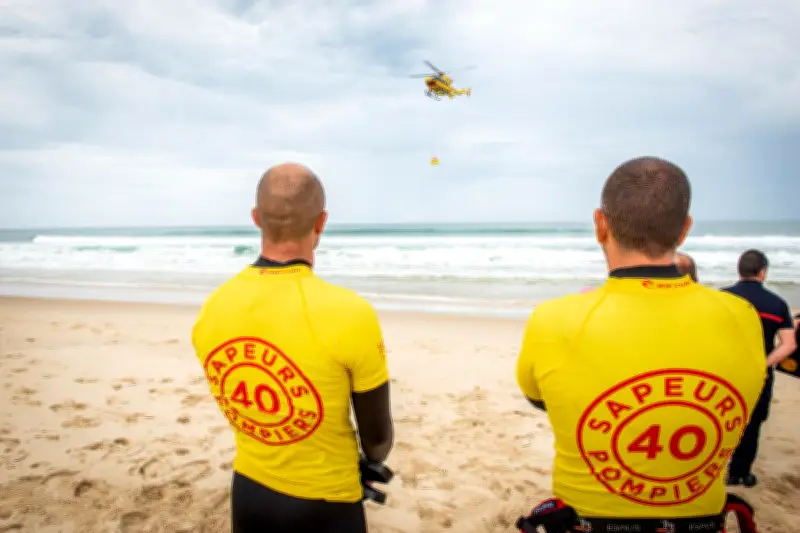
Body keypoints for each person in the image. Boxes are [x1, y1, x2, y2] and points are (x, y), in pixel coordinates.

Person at [515, 157, 766, 533]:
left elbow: (539, 399)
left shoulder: (553, 319)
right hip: (702, 524)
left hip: (586, 523)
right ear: (684, 230)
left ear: (600, 224)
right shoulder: (742, 315)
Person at [192, 163, 394, 533]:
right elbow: (378, 439)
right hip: (328, 503)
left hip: (250, 491)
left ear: (256, 218)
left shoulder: (213, 307)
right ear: (322, 222)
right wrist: (371, 462)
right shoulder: (350, 313)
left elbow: (246, 404)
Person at [722, 250, 797, 487]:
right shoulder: (776, 304)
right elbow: (789, 344)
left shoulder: (721, 299)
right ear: (762, 272)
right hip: (759, 375)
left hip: (723, 371)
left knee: (718, 419)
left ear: (739, 270)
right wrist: (763, 363)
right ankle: (739, 473)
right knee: (752, 422)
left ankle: (711, 470)